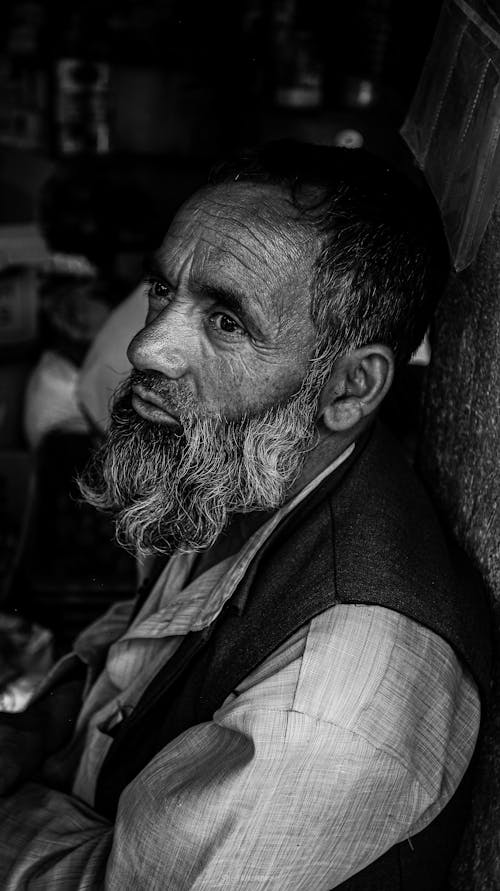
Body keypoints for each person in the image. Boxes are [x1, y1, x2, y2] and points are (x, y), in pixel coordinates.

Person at [0, 140, 491, 889]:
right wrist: (41, 726)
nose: (147, 345)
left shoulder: (330, 702)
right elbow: (137, 645)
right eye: (163, 291)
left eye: (227, 321)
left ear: (351, 387)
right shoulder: (243, 465)